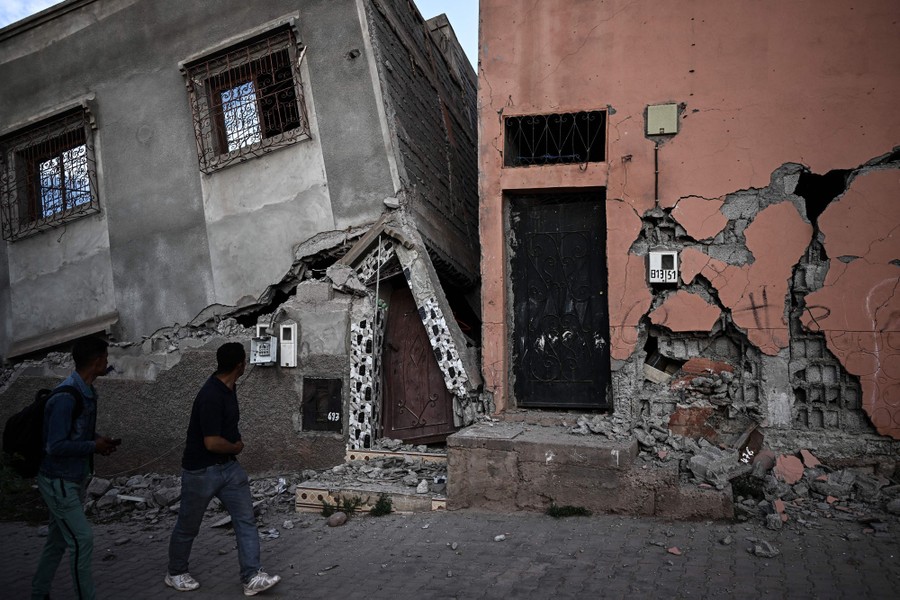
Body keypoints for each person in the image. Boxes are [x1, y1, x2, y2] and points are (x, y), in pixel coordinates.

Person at [165, 342, 280, 596]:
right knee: (188, 525)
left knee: (246, 520)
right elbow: (212, 442)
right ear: (241, 364)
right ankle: (175, 572)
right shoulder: (211, 395)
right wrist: (236, 447)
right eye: (245, 360)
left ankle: (251, 576)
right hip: (201, 471)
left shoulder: (230, 388)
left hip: (229, 470)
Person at [32, 336, 121, 600]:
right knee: (82, 540)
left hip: (73, 478)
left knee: (57, 541)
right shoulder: (66, 397)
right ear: (96, 362)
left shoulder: (87, 391)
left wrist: (97, 441)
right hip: (58, 480)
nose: (108, 362)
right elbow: (55, 446)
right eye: (105, 358)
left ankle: (39, 592)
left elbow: (78, 434)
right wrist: (93, 446)